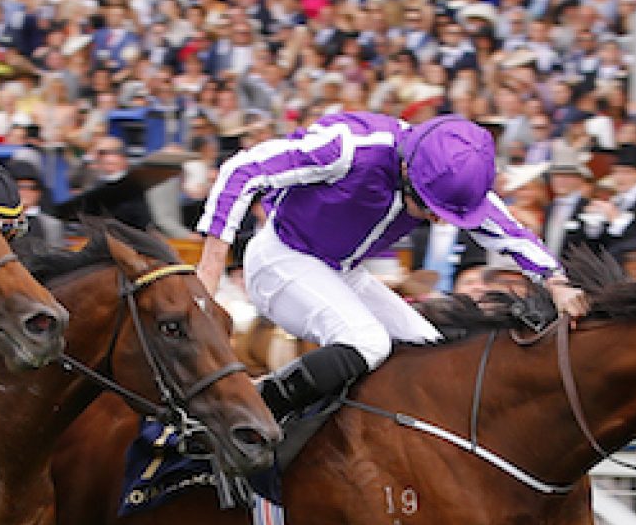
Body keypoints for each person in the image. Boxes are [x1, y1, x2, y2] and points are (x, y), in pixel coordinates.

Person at [195, 112, 586, 419]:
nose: (440, 221)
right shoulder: (350, 146)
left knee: (431, 353)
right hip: (281, 259)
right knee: (368, 342)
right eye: (430, 209)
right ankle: (248, 409)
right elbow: (241, 170)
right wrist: (208, 274)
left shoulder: (445, 173)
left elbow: (509, 231)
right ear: (406, 172)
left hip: (342, 270)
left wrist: (556, 281)